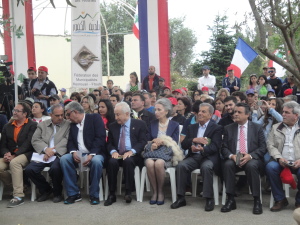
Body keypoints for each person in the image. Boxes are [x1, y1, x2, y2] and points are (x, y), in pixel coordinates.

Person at [171, 103, 223, 211]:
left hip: (208, 157)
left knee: (206, 167)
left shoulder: (216, 128)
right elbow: (184, 144)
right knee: (181, 166)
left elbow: (216, 146)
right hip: (194, 156)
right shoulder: (192, 127)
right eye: (199, 111)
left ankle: (209, 198)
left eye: (203, 112)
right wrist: (194, 142)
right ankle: (181, 198)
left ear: (210, 115)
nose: (200, 113)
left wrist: (203, 149)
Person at [221, 103, 266, 214]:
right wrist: (232, 156)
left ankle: (256, 200)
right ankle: (230, 199)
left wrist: (250, 156)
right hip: (235, 156)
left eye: (239, 112)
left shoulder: (257, 128)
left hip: (251, 157)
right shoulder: (228, 128)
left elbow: (263, 147)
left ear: (247, 115)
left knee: (251, 166)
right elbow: (223, 147)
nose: (235, 114)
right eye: (235, 112)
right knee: (227, 165)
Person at [61, 102, 106, 205]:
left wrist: (92, 154)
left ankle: (94, 194)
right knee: (64, 159)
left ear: (75, 112)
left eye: (68, 114)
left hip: (95, 153)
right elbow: (71, 141)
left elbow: (100, 138)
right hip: (78, 154)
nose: (67, 117)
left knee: (96, 161)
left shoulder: (94, 118)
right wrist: (73, 152)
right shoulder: (72, 124)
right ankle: (73, 194)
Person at [25, 104, 70, 203]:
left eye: (62, 115)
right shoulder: (42, 125)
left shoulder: (67, 124)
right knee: (29, 169)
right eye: (57, 115)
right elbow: (35, 140)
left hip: (58, 153)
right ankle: (46, 189)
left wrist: (53, 151)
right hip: (43, 154)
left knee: (55, 168)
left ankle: (57, 193)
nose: (60, 117)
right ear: (51, 115)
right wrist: (46, 149)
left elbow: (66, 140)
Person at [104, 102, 147, 206]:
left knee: (128, 161)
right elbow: (109, 143)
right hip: (118, 153)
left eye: (118, 114)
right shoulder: (113, 126)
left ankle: (128, 193)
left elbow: (143, 141)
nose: (116, 117)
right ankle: (112, 194)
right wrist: (113, 151)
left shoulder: (140, 124)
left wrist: (132, 151)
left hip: (133, 155)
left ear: (127, 114)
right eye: (115, 114)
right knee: (111, 162)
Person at [0, 102, 37, 208]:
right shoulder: (8, 126)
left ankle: (18, 196)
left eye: (17, 111)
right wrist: (6, 153)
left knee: (15, 163)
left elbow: (28, 143)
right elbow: (3, 144)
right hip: (10, 155)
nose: (14, 112)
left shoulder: (32, 125)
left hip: (26, 154)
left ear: (25, 114)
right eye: (14, 110)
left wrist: (15, 155)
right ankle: (18, 186)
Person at [266, 101, 300, 211]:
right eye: (283, 112)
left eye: (287, 112)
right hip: (281, 160)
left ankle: (299, 201)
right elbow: (270, 145)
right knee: (270, 167)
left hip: (298, 161)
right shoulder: (276, 127)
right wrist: (279, 158)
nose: (283, 114)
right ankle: (280, 199)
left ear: (296, 115)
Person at [145, 98, 180, 205]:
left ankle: (160, 192)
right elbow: (147, 138)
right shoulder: (152, 123)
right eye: (155, 110)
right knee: (149, 162)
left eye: (159, 110)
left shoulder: (174, 124)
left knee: (159, 163)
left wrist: (161, 141)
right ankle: (154, 192)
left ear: (166, 111)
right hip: (153, 151)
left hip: (167, 153)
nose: (156, 112)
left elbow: (174, 141)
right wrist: (154, 141)